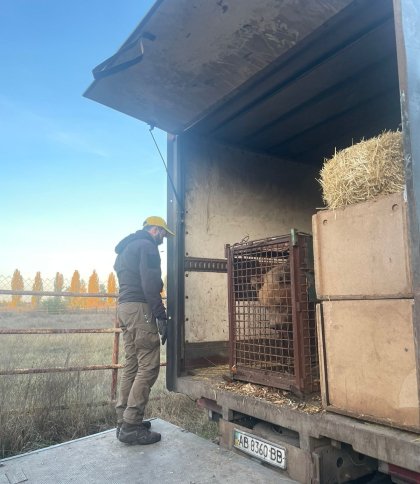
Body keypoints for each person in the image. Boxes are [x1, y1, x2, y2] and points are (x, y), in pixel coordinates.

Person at [113, 216, 175, 445]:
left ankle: (124, 419)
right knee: (148, 365)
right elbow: (150, 283)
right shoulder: (147, 247)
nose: (163, 239)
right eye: (163, 234)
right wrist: (160, 314)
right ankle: (132, 425)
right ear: (155, 229)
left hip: (124, 307)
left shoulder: (126, 248)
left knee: (132, 364)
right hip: (140, 308)